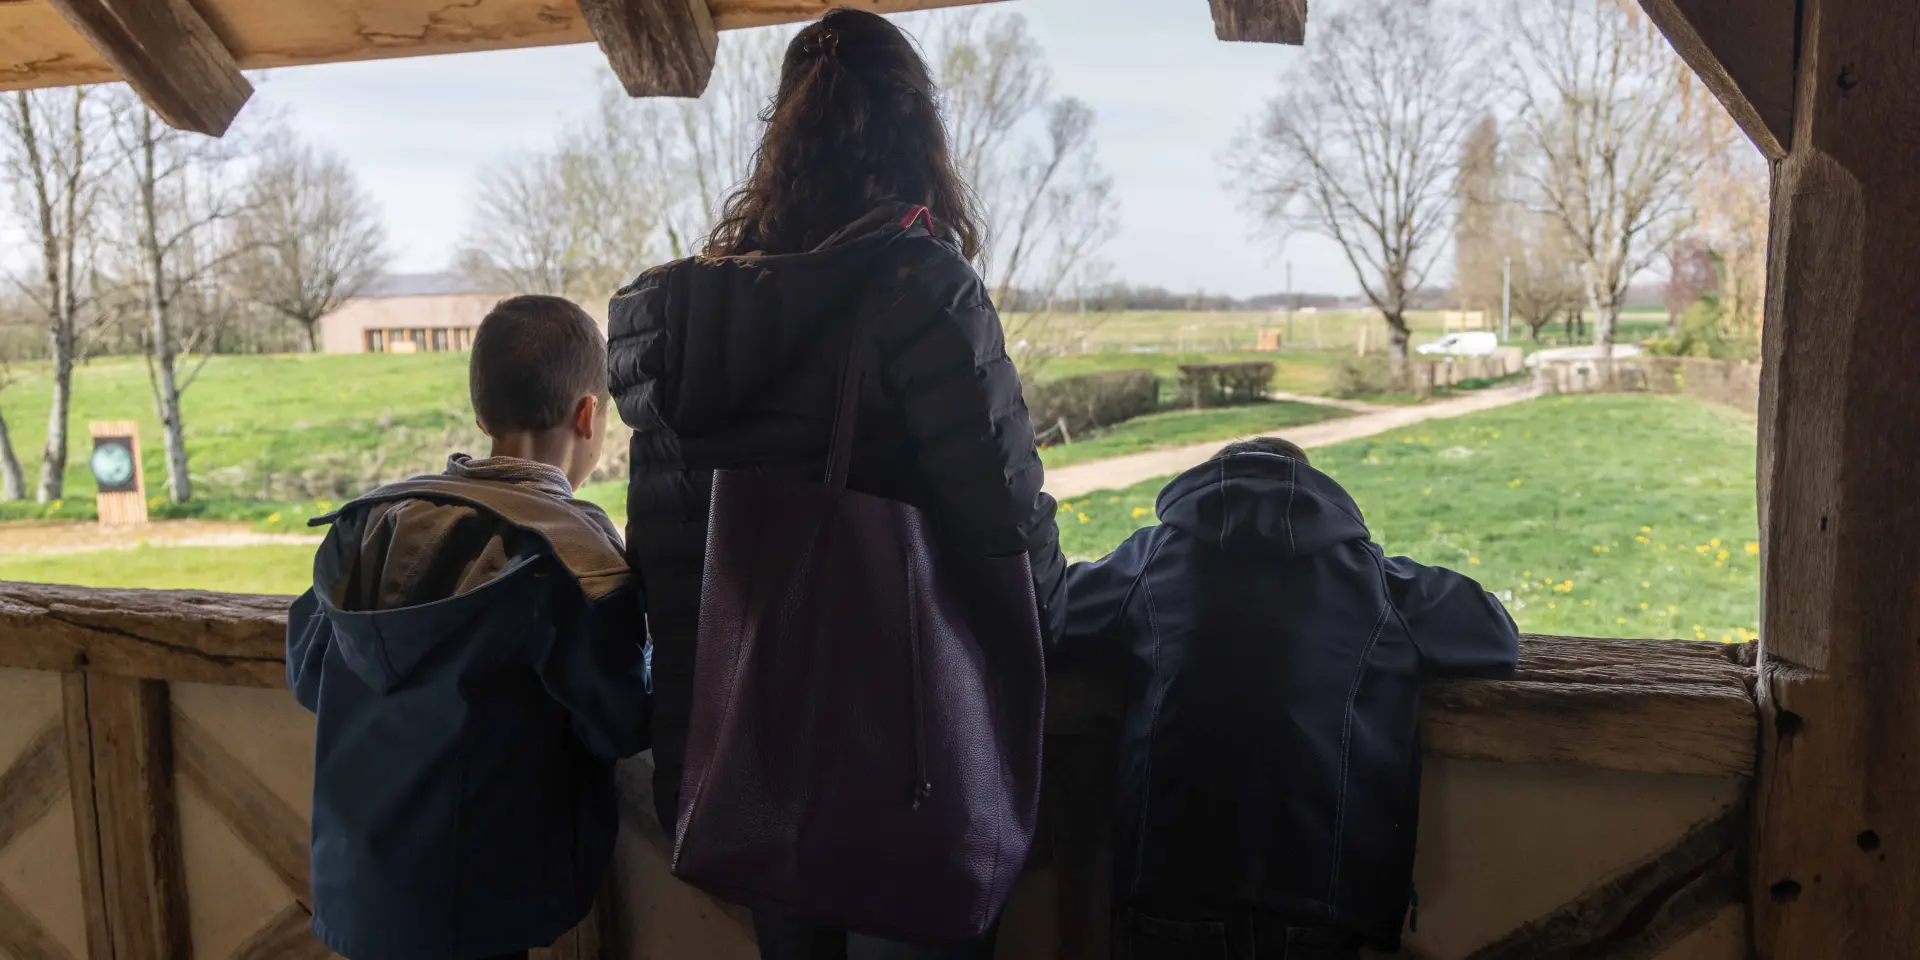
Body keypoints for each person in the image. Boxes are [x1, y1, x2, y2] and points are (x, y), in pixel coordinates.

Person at [607, 9, 1066, 958]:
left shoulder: (670, 318)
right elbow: (1007, 529)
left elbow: (664, 553)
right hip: (907, 762)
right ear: (921, 140)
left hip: (739, 767)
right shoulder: (921, 288)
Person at [287, 295, 651, 960]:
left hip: (358, 888)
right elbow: (620, 718)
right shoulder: (569, 556)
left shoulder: (368, 523)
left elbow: (308, 675)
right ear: (588, 416)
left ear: (481, 413)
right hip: (484, 904)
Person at [1058, 437, 1520, 960]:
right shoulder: (1375, 579)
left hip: (1173, 878)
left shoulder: (1147, 562)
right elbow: (1497, 638)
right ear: (1316, 497)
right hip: (1324, 890)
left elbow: (1052, 621)